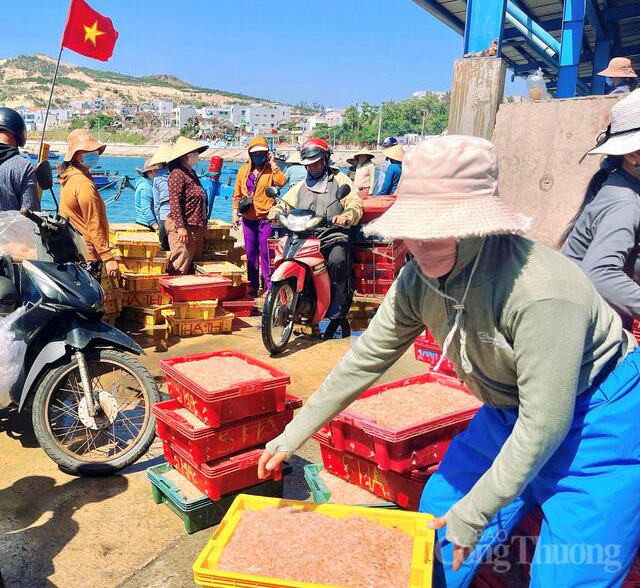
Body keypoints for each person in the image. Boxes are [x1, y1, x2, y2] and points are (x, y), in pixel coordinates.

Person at [259, 135, 640, 587]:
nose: (423, 242)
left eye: (445, 225)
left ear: (481, 223)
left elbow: (545, 425)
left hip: (599, 418)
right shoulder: (416, 278)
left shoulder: (542, 292)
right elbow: (365, 359)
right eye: (415, 226)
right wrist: (293, 434)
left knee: (572, 573)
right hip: (506, 412)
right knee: (438, 521)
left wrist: (477, 512)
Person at [562, 89, 640, 328]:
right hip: (580, 326)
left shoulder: (621, 184)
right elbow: (600, 274)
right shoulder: (624, 203)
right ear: (633, 154)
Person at [267, 138, 362, 325]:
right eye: (309, 164)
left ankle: (337, 304)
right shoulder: (302, 185)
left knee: (337, 260)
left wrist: (347, 216)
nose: (312, 167)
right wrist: (276, 211)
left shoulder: (340, 180)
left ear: (325, 159)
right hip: (304, 236)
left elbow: (354, 204)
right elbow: (285, 202)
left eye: (316, 162)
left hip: (331, 235)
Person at [59, 129, 119, 281]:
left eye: (94, 150)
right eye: (87, 151)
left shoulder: (69, 178)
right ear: (76, 156)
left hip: (74, 249)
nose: (93, 154)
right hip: (88, 255)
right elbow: (93, 223)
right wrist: (107, 256)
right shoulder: (83, 183)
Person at [232, 136, 286, 296]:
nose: (258, 156)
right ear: (249, 154)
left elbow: (281, 181)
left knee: (267, 253)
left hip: (265, 218)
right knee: (251, 253)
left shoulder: (270, 170)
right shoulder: (243, 171)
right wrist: (234, 213)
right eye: (255, 153)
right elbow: (237, 194)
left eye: (262, 153)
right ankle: (253, 286)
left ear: (267, 153)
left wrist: (273, 163)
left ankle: (269, 287)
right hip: (248, 218)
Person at [166, 136, 209, 275]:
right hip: (183, 225)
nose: (196, 155)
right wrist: (180, 227)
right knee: (181, 259)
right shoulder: (177, 174)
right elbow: (175, 201)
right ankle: (174, 290)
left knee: (192, 262)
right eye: (194, 152)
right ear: (185, 156)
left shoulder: (191, 173)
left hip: (195, 224)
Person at [150, 145, 173, 251]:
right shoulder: (180, 173)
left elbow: (157, 203)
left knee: (163, 249)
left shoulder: (158, 178)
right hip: (179, 216)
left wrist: (159, 222)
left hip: (164, 215)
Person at [134, 158, 161, 231]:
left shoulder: (148, 184)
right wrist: (155, 226)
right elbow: (146, 208)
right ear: (150, 172)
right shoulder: (146, 187)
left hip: (147, 223)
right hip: (146, 224)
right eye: (157, 171)